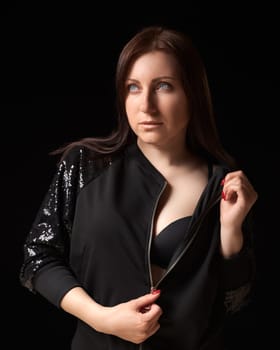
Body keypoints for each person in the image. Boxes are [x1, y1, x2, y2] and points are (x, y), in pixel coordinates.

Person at [19, 25, 258, 350]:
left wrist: (231, 231)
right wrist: (102, 318)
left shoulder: (225, 184)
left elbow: (234, 301)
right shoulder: (85, 165)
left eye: (163, 86)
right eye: (133, 87)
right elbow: (39, 258)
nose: (146, 104)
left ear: (193, 94)